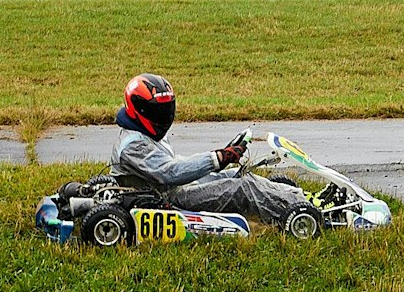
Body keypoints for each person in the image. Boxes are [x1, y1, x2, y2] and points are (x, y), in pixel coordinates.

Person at [111, 74, 308, 225]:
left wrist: (219, 160)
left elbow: (175, 164)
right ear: (139, 109)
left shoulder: (145, 134)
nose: (163, 116)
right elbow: (169, 173)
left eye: (165, 109)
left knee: (240, 175)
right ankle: (296, 213)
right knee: (241, 188)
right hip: (163, 201)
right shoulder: (134, 145)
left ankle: (301, 198)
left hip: (171, 190)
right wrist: (217, 158)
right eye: (157, 110)